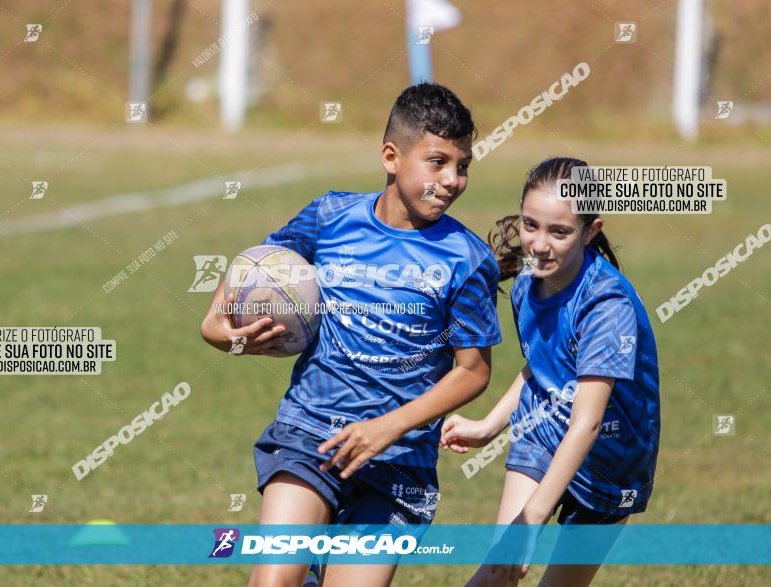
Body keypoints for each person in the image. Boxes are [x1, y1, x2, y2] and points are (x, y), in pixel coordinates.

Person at [201, 82, 503, 587]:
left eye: (463, 165)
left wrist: (388, 427)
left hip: (397, 459)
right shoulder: (330, 218)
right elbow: (248, 273)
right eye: (437, 162)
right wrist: (223, 333)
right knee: (273, 579)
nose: (452, 180)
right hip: (310, 432)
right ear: (391, 156)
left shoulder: (467, 260)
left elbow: (472, 372)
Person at [441, 157, 661, 587]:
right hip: (542, 430)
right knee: (497, 573)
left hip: (611, 459)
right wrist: (488, 426)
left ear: (591, 230)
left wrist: (533, 519)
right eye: (530, 225)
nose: (539, 245)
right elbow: (542, 367)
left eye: (559, 232)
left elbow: (588, 421)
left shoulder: (605, 306)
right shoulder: (527, 283)